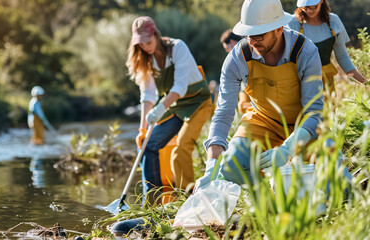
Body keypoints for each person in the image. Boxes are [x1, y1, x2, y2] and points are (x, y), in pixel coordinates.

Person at [195, 0, 354, 189]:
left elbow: (313, 112)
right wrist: (211, 165)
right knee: (230, 166)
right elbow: (223, 114)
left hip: (304, 125)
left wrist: (287, 149)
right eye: (248, 35)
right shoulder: (238, 58)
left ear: (278, 29)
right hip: (263, 121)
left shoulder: (306, 51)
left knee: (341, 187)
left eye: (259, 36)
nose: (251, 42)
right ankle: (268, 204)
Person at [127, 16, 214, 203]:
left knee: (181, 148)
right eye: (141, 44)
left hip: (199, 102)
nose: (146, 47)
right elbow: (148, 95)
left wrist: (160, 109)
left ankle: (189, 199)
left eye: (148, 42)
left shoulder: (178, 48)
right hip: (176, 106)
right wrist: (142, 129)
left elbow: (180, 87)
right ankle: (151, 202)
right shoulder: (146, 60)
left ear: (156, 35)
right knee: (147, 145)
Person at [287, 0, 369, 96]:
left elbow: (342, 57)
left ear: (321, 2)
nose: (309, 11)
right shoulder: (292, 23)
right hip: (299, 81)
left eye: (313, 7)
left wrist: (365, 81)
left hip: (325, 81)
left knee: (327, 109)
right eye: (305, 7)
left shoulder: (333, 21)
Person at [220, 29, 252, 114]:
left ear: (231, 42)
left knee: (243, 106)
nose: (227, 51)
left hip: (251, 87)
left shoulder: (248, 50)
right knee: (242, 107)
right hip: (244, 88)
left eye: (227, 48)